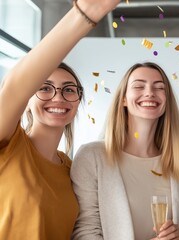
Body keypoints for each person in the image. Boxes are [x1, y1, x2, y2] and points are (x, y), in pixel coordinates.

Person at [0, 0, 119, 239]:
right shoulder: (9, 143)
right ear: (28, 101)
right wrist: (84, 15)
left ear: (77, 101)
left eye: (68, 89)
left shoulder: (72, 170)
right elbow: (14, 87)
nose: (58, 97)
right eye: (44, 88)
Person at [71, 62, 179, 240]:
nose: (150, 93)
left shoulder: (177, 165)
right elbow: (85, 233)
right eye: (139, 86)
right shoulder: (92, 157)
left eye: (159, 88)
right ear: (123, 99)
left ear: (167, 101)